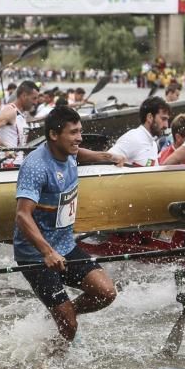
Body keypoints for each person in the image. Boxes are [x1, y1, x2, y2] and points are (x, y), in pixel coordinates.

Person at [14, 106, 124, 342]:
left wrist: (107, 157)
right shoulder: (36, 167)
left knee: (105, 293)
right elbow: (22, 215)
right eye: (73, 132)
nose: (79, 138)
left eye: (80, 131)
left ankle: (62, 314)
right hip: (36, 256)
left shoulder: (69, 152)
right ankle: (50, 368)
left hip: (64, 245)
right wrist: (47, 252)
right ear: (54, 135)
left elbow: (80, 153)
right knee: (70, 327)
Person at [0, 80, 39, 165]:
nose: (36, 102)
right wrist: (5, 148)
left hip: (18, 164)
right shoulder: (10, 111)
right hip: (7, 165)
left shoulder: (23, 113)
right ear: (24, 96)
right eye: (34, 98)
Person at [107, 96, 168, 166]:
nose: (166, 125)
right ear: (150, 117)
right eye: (163, 119)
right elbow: (104, 163)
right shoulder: (133, 138)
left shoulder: (153, 144)